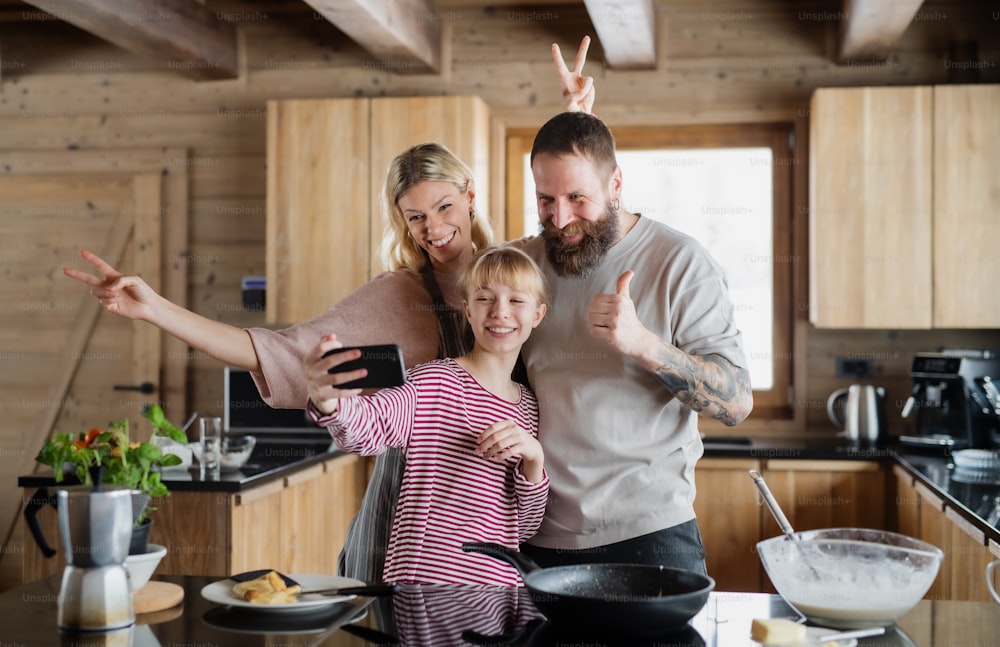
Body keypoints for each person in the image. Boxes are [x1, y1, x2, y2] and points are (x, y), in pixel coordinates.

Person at [516, 110, 754, 574]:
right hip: (538, 537)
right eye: (545, 199)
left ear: (615, 183)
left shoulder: (680, 262)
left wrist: (645, 344)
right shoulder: (524, 264)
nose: (560, 218)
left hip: (649, 536)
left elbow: (737, 402)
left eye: (577, 197)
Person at [303, 245, 549, 585]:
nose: (500, 312)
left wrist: (534, 459)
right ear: (467, 310)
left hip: (496, 597)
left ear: (538, 314)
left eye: (517, 301)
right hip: (423, 591)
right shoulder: (435, 382)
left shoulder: (529, 408)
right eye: (484, 299)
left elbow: (524, 526)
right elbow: (368, 428)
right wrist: (330, 403)